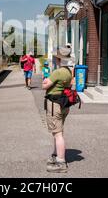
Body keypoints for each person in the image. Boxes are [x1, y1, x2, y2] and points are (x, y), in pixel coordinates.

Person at [42, 45, 74, 173]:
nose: (54, 59)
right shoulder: (67, 71)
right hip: (63, 104)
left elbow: (45, 86)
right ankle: (56, 154)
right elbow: (70, 83)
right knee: (58, 131)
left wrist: (45, 80)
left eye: (55, 57)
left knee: (58, 133)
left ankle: (61, 162)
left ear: (58, 59)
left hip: (55, 105)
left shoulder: (58, 72)